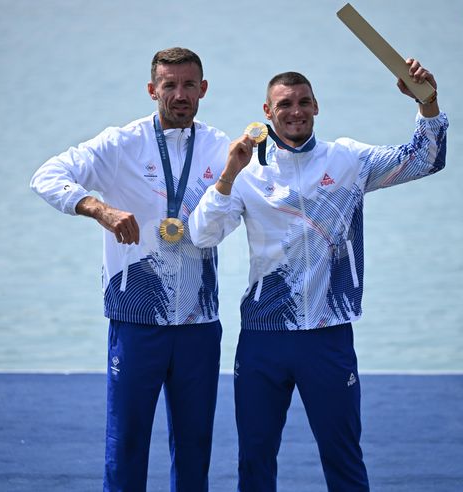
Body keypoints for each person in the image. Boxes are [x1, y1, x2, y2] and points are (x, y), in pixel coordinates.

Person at [189, 60, 448, 491]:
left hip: (328, 335)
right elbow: (202, 235)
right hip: (263, 335)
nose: (296, 111)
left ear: (317, 107)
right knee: (255, 459)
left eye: (304, 102)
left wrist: (428, 103)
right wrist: (230, 174)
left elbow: (426, 158)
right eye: (284, 104)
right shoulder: (248, 173)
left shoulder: (347, 158)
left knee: (342, 455)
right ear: (267, 113)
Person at [30, 47, 230, 492]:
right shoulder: (120, 144)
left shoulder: (222, 147)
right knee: (127, 445)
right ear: (151, 89)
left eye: (189, 85)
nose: (180, 94)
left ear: (203, 89)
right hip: (137, 321)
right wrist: (98, 208)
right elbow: (47, 175)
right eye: (169, 85)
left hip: (200, 322)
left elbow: (278, 185)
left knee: (196, 447)